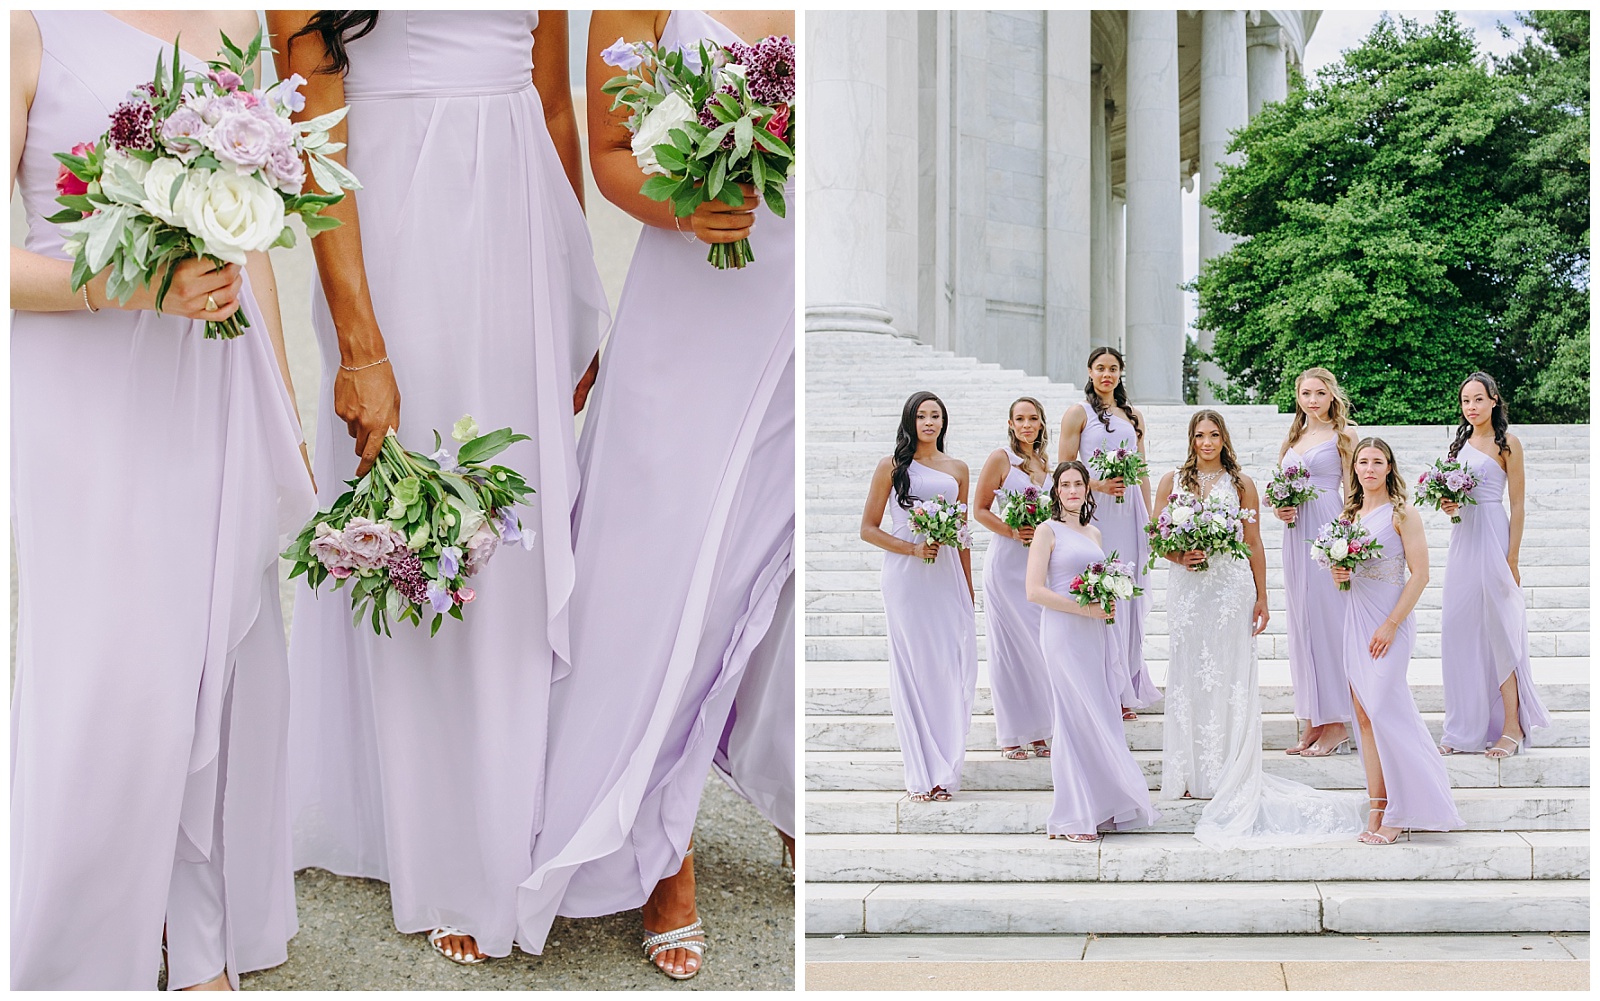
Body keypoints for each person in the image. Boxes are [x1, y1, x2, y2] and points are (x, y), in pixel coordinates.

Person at [271, 10, 606, 965]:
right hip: (398, 217)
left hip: (520, 225)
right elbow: (317, 133)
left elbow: (551, 102)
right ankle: (443, 842)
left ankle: (518, 808)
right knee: (418, 523)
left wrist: (576, 292)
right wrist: (360, 346)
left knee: (517, 520)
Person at [10, 9, 315, 988]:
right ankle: (84, 934)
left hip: (211, 375)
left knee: (214, 644)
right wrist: (139, 288)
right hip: (81, 381)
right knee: (115, 662)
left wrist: (285, 415)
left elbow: (251, 230)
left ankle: (196, 930)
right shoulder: (26, 23)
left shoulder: (232, 18)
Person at [515, 10, 796, 981]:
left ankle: (793, 795)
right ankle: (656, 840)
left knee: (789, 566)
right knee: (666, 566)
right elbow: (607, 152)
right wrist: (689, 207)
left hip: (803, 298)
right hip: (697, 299)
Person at [1153, 411, 1363, 847]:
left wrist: (1262, 596)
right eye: (1199, 435)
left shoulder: (1242, 482)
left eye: (1213, 435)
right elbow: (1156, 536)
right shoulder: (1171, 480)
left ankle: (1229, 769)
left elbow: (1253, 542)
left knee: (1229, 676)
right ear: (1190, 439)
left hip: (1231, 589)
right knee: (1191, 673)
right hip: (1189, 592)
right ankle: (1191, 771)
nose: (1206, 442)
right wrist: (1179, 557)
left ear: (1223, 439)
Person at [1332, 439, 1464, 844]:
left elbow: (1420, 574)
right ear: (1354, 468)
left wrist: (1391, 625)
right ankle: (1378, 804)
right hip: (1355, 619)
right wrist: (1339, 574)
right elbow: (1347, 570)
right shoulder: (1349, 513)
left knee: (1387, 710)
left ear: (1389, 467)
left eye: (1377, 462)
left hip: (1389, 622)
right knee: (1366, 717)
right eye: (1362, 462)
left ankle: (1402, 810)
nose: (1369, 468)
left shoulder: (1402, 513)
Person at [1025, 462, 1160, 842]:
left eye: (1077, 484)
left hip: (1095, 633)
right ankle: (1072, 815)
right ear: (1056, 491)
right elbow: (1034, 590)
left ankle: (1101, 804)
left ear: (1087, 490)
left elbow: (1096, 585)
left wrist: (1107, 601)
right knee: (1071, 717)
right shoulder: (1045, 531)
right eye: (1064, 484)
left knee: (1099, 713)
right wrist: (1084, 608)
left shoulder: (1094, 533)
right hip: (1063, 632)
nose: (1071, 490)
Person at [857, 391, 978, 804]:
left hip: (945, 576)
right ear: (910, 421)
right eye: (922, 415)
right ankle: (921, 773)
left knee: (946, 665)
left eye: (935, 415)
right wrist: (911, 548)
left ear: (944, 422)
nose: (929, 422)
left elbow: (962, 535)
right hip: (906, 576)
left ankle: (945, 768)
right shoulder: (891, 467)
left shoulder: (958, 469)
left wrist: (968, 586)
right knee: (913, 666)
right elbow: (868, 528)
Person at [1436, 373, 1551, 757]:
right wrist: (1448, 505)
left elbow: (1517, 504)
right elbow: (1450, 505)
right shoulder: (1458, 447)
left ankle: (1511, 726)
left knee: (1500, 630)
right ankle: (1464, 727)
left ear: (1494, 401)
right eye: (1466, 400)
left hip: (1493, 537)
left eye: (1478, 400)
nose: (1471, 407)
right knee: (1458, 628)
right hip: (1462, 542)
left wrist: (1512, 557)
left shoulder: (1508, 444)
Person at [1058, 347, 1158, 717]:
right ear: (1089, 371)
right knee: (1102, 590)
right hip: (1095, 512)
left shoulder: (1133, 416)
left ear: (1121, 373)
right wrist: (1096, 486)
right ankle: (1101, 682)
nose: (1107, 374)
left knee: (1127, 595)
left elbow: (1143, 469)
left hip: (1128, 512)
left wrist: (1147, 517)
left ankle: (1125, 686)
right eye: (1100, 368)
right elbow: (1066, 467)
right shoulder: (1077, 413)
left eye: (1113, 368)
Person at [1273, 368, 1359, 757]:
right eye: (1305, 393)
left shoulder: (1344, 435)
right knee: (1302, 623)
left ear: (1331, 396)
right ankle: (1313, 719)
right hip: (1295, 535)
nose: (1312, 400)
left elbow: (1354, 491)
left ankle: (1337, 723)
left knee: (1328, 624)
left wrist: (1344, 541)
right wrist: (1281, 509)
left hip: (1327, 528)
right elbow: (1277, 491)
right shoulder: (1293, 438)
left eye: (1319, 393)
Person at [972, 398, 1054, 760]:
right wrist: (1011, 530)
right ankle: (1011, 735)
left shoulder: (1045, 464)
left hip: (1037, 565)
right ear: (1010, 423)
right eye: (1020, 419)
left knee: (1039, 646)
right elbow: (978, 509)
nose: (1026, 424)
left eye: (1032, 418)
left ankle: (1039, 731)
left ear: (1040, 424)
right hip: (1006, 564)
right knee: (1008, 650)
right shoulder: (1001, 458)